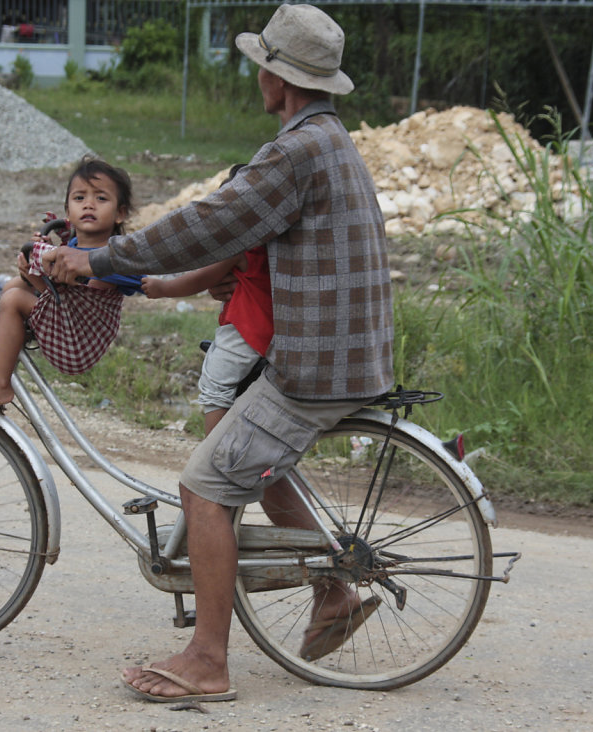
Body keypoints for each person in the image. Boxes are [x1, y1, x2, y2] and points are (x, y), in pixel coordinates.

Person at [43, 4, 394, 703]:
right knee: (250, 465)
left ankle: (208, 660)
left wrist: (99, 260)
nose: (255, 75)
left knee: (202, 489)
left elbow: (207, 225)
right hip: (352, 354)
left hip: (314, 366)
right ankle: (332, 595)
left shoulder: (292, 152)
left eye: (260, 64)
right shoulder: (330, 139)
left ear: (277, 77)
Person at [0, 156, 141, 415]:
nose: (89, 205)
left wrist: (83, 265)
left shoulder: (114, 255)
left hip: (80, 341)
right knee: (12, 286)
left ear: (120, 213)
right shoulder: (72, 248)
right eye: (79, 198)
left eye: (101, 198)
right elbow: (57, 291)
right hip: (68, 323)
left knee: (13, 300)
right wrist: (32, 272)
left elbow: (132, 278)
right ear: (67, 212)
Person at [140, 165, 272, 435]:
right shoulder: (267, 245)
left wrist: (163, 288)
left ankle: (214, 457)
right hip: (267, 332)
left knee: (215, 385)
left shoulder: (239, 247)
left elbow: (200, 278)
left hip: (245, 331)